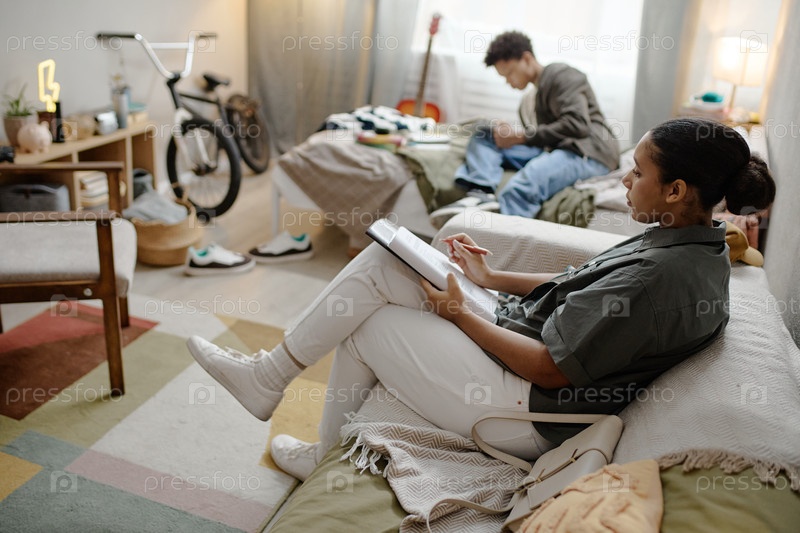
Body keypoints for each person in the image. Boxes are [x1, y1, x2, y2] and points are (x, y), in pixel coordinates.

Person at [186, 118, 775, 481]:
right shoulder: (688, 240)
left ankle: (303, 428)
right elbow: (576, 287)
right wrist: (490, 278)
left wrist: (459, 311)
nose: (625, 180)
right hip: (520, 338)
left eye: (637, 172)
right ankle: (270, 377)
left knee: (366, 324)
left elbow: (550, 368)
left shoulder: (660, 278)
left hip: (526, 408)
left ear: (676, 190)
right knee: (387, 260)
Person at [429, 31, 620, 228]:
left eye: (510, 73)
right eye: (504, 77)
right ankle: (481, 193)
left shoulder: (562, 74)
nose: (508, 81)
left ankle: (500, 237)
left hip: (589, 151)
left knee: (520, 188)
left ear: (527, 59)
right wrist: (510, 134)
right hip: (555, 148)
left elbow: (577, 124)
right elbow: (543, 135)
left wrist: (520, 136)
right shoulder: (532, 99)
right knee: (486, 133)